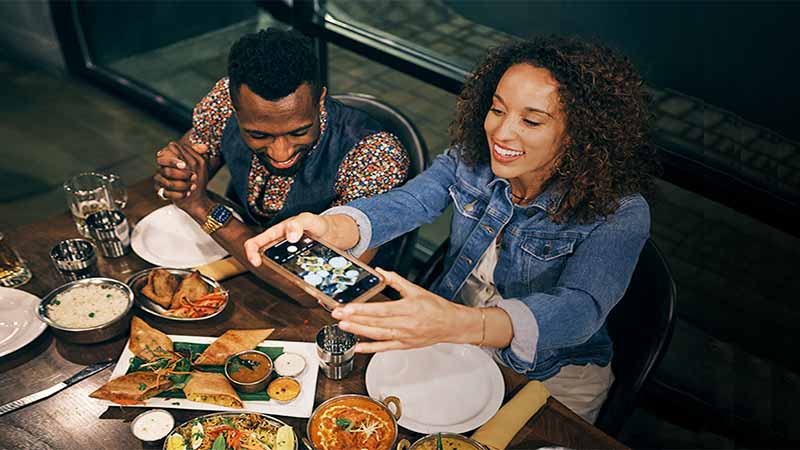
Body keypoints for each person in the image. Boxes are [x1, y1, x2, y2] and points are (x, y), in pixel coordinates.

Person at [244, 35, 657, 423]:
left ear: (580, 135)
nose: (500, 131)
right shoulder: (469, 159)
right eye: (497, 109)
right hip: (450, 344)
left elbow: (579, 310)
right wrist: (331, 225)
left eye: (531, 121)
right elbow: (409, 202)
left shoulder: (622, 212)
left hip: (550, 377)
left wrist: (462, 324)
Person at [153, 28, 409, 272]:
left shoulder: (375, 157)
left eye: (298, 132)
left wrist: (203, 209)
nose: (280, 153)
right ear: (234, 106)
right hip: (240, 260)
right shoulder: (224, 100)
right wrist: (180, 174)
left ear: (320, 99)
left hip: (343, 304)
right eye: (259, 135)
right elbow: (194, 155)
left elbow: (318, 281)